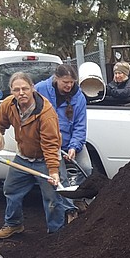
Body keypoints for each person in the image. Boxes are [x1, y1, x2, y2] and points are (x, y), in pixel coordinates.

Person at [0, 71, 67, 237]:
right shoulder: (8, 105)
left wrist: (53, 171)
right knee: (11, 189)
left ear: (32, 88)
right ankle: (14, 224)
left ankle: (57, 233)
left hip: (46, 159)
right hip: (23, 158)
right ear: (11, 91)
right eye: (16, 89)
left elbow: (51, 144)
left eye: (25, 88)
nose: (21, 93)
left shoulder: (45, 113)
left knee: (52, 198)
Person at [35, 64, 91, 219]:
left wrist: (74, 147)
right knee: (62, 176)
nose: (69, 85)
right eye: (65, 81)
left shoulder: (78, 97)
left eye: (72, 82)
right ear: (56, 78)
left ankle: (79, 198)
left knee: (86, 168)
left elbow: (80, 125)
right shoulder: (40, 90)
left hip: (71, 140)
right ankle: (68, 210)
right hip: (50, 143)